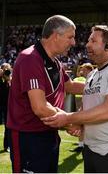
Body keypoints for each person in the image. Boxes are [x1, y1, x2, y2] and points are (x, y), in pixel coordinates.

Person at [42, 25, 108, 173]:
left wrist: (68, 118)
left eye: (93, 41)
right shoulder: (93, 75)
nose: (87, 44)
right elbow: (87, 105)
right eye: (88, 40)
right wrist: (79, 124)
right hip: (90, 149)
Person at [7, 15, 84, 173]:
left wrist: (102, 86)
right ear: (56, 36)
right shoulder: (30, 59)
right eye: (70, 37)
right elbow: (40, 108)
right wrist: (70, 122)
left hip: (49, 133)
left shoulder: (54, 61)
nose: (74, 43)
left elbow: (70, 85)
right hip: (28, 137)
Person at [70, 63, 94, 152]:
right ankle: (82, 144)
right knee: (82, 125)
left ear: (88, 70)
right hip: (83, 104)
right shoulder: (88, 79)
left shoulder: (92, 79)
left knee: (83, 125)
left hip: (88, 105)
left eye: (83, 69)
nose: (81, 71)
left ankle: (82, 145)